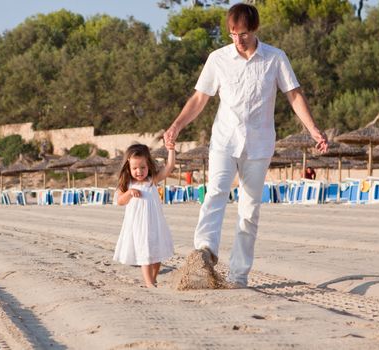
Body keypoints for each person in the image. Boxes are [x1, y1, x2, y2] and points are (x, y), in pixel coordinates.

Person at [163, 3, 328, 288]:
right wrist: (177, 125)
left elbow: (294, 95)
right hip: (224, 140)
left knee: (249, 209)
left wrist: (313, 129)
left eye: (243, 34)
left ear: (255, 30)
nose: (238, 40)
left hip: (259, 144)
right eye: (232, 34)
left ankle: (239, 276)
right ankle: (204, 252)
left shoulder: (275, 58)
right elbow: (199, 99)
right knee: (215, 192)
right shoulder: (218, 59)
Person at [113, 143, 176, 288]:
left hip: (155, 223)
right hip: (138, 225)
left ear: (149, 165)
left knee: (157, 252)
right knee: (145, 252)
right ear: (128, 167)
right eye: (135, 168)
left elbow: (169, 166)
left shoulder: (151, 181)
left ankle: (153, 279)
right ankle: (148, 283)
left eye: (143, 167)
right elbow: (120, 201)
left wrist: (171, 149)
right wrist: (129, 193)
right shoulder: (127, 184)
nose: (139, 171)